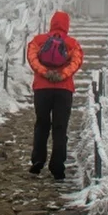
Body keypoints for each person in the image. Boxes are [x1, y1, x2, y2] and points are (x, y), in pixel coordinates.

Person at [26, 10, 84, 180]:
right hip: (64, 89)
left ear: (51, 23)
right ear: (67, 25)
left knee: (41, 124)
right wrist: (62, 75)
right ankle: (58, 166)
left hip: (42, 88)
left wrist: (45, 73)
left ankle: (38, 160)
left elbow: (32, 58)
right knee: (60, 128)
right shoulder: (72, 43)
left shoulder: (38, 40)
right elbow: (76, 62)